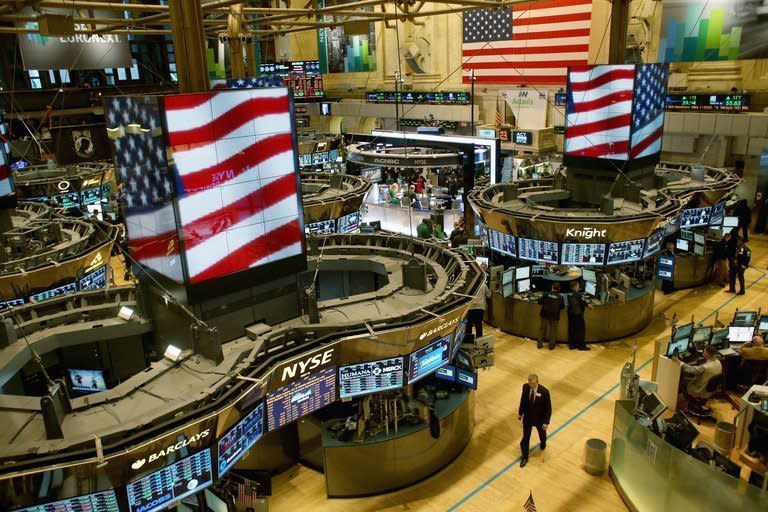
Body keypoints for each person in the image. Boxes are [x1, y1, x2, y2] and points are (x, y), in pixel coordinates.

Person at [517, 374, 552, 468]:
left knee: (542, 434)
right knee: (525, 438)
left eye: (533, 384)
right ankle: (525, 457)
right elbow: (523, 400)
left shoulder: (544, 392)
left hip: (540, 419)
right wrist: (520, 413)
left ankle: (543, 442)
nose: (531, 386)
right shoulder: (525, 387)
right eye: (529, 383)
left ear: (537, 382)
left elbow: (548, 408)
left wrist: (546, 422)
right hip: (528, 418)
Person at [538, 283, 564, 350]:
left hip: (544, 314)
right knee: (553, 331)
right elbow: (562, 307)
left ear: (552, 287)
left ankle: (539, 344)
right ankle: (551, 346)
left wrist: (540, 296)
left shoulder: (545, 294)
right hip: (554, 316)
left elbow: (539, 302)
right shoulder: (560, 297)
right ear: (559, 289)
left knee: (542, 329)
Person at [567, 281, 589, 351]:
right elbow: (583, 302)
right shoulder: (579, 295)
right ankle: (581, 346)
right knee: (581, 331)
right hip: (578, 315)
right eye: (578, 285)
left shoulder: (569, 293)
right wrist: (589, 305)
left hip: (571, 315)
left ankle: (572, 345)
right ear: (575, 286)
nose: (579, 287)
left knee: (571, 330)